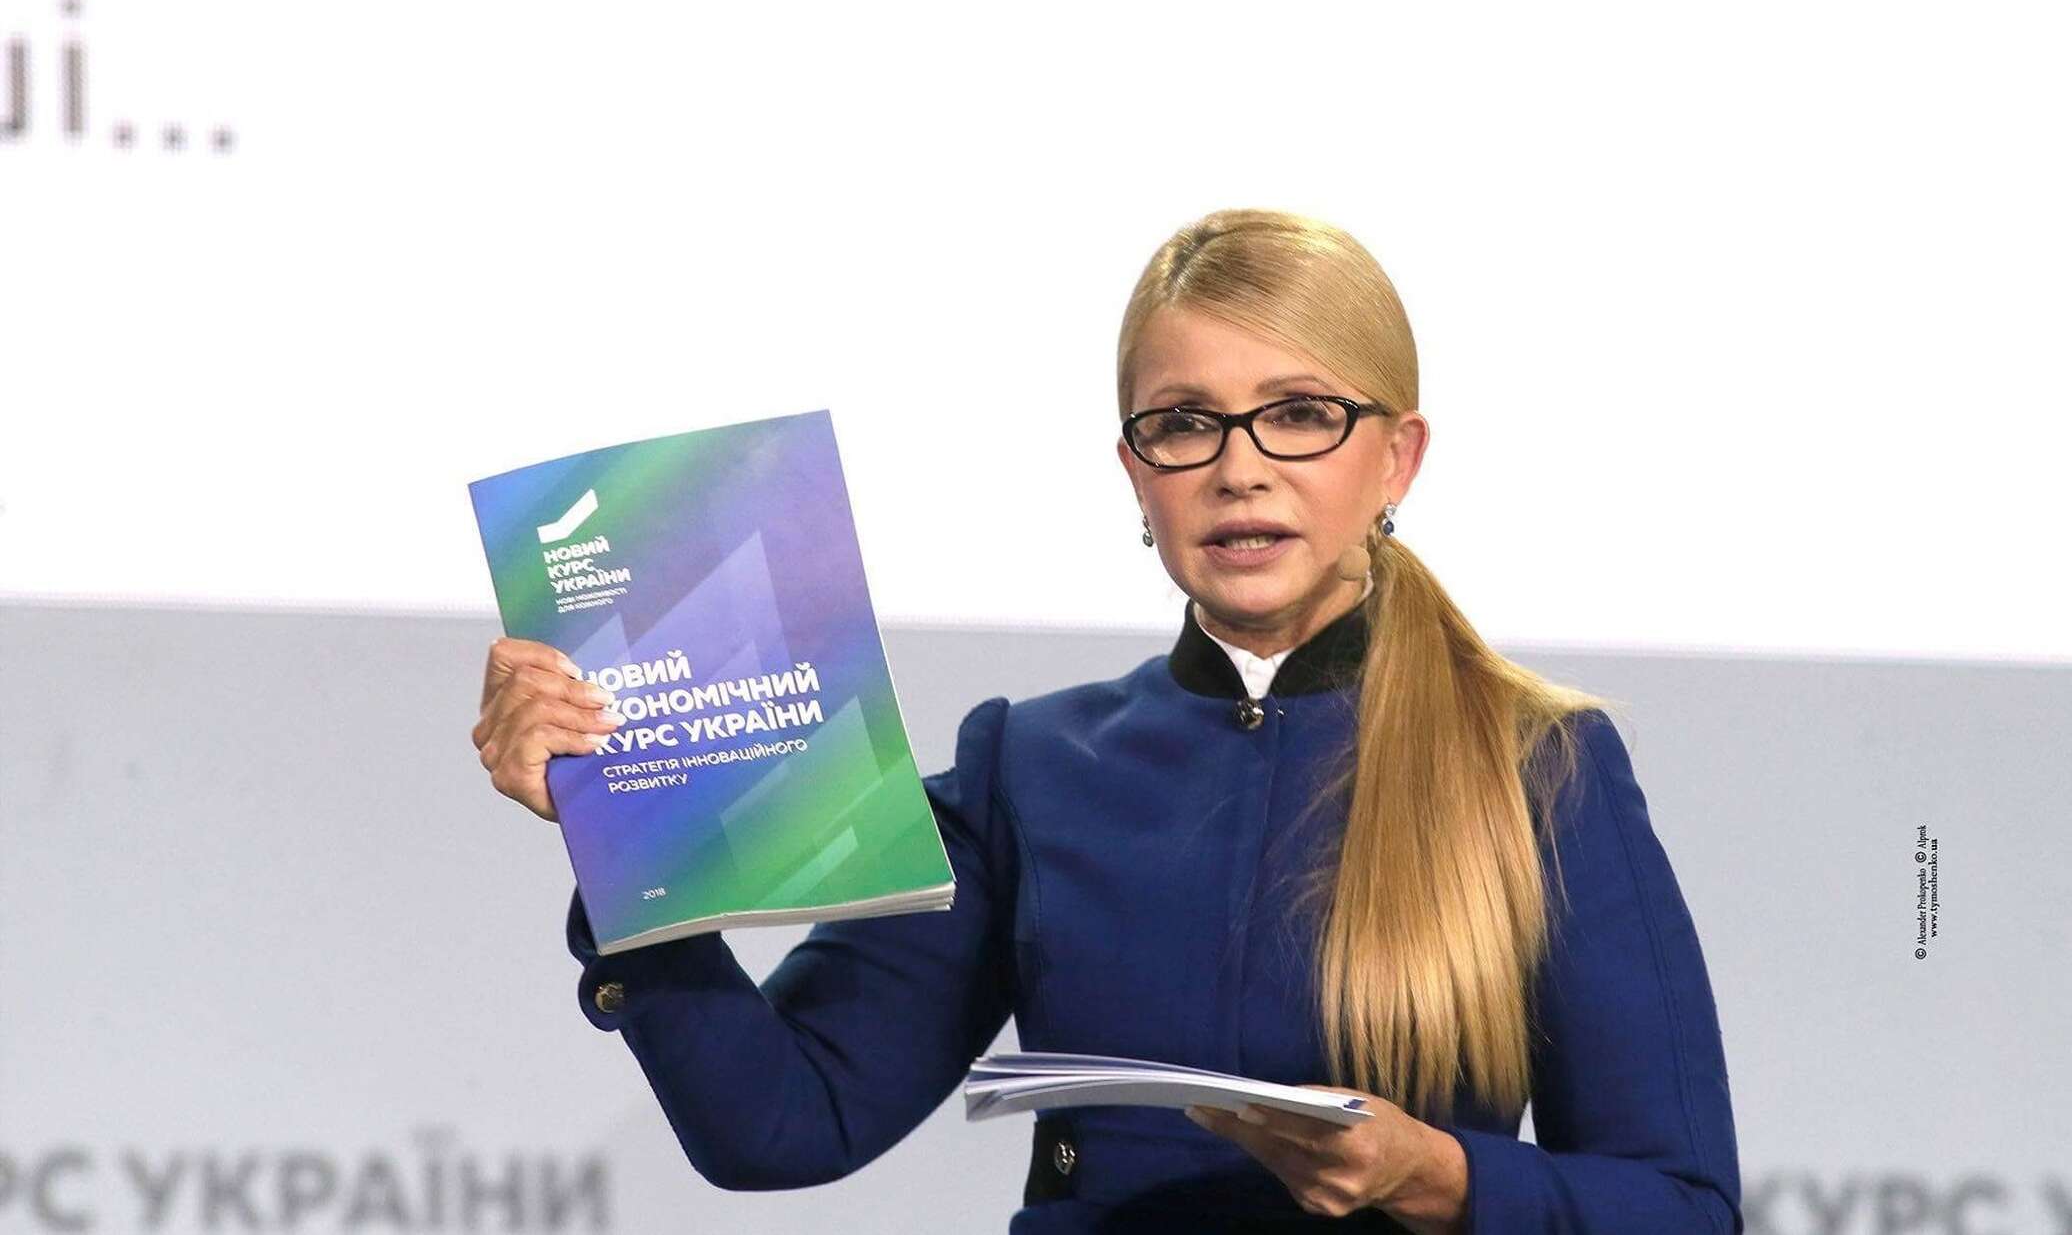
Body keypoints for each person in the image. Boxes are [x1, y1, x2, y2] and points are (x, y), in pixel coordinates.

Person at [471, 208, 1743, 1233]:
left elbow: (1681, 1205)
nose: (1238, 465)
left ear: (1394, 458)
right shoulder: (1028, 765)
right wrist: (618, 813)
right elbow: (783, 1122)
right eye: (1183, 423)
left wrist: (1438, 1177)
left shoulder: (1536, 766)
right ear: (1135, 472)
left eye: (1299, 414)